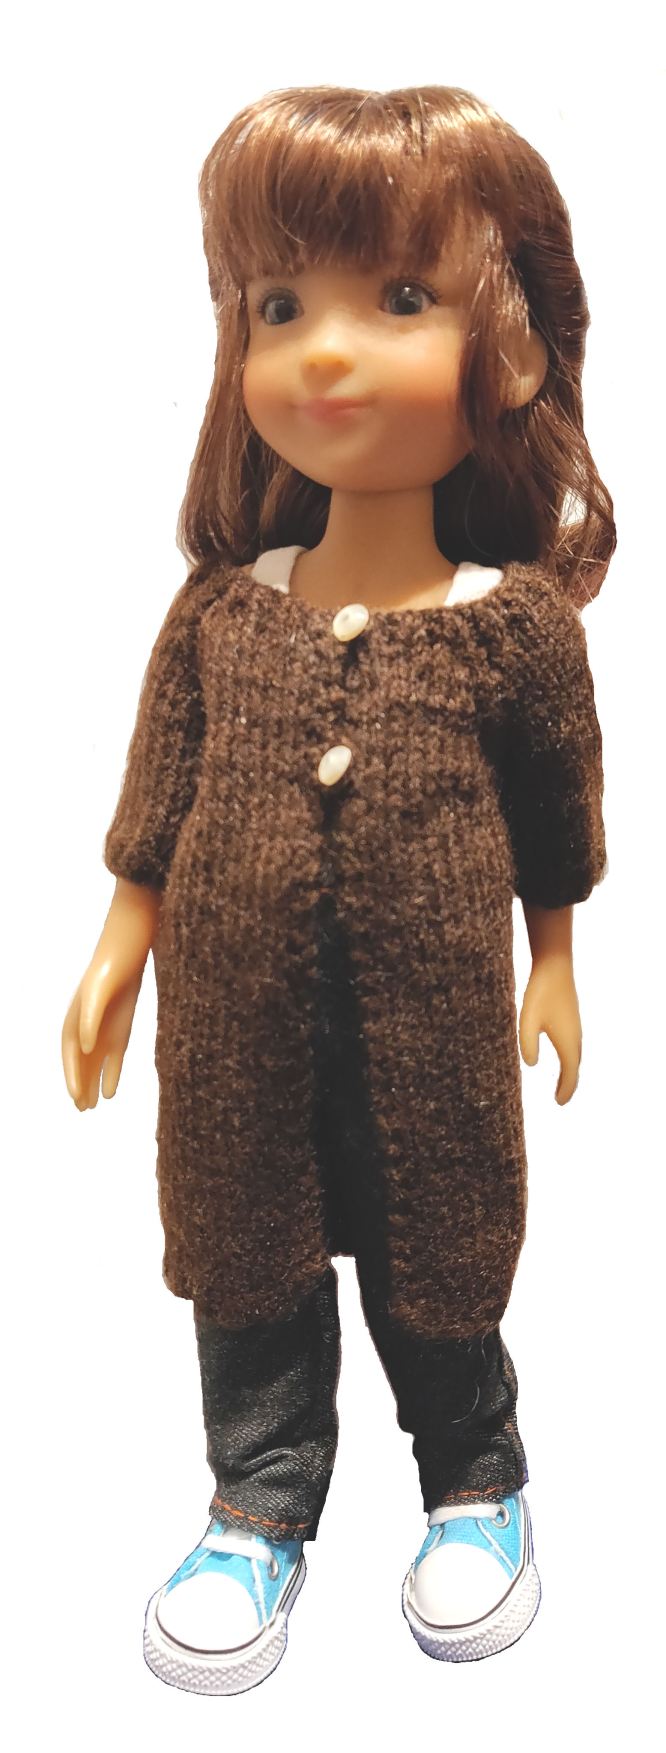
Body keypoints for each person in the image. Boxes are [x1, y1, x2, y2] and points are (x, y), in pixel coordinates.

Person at [61, 83, 612, 1696]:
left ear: (508, 347)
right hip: (228, 1024)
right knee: (246, 1247)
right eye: (279, 305)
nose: (321, 354)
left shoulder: (510, 628)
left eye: (399, 298)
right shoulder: (222, 612)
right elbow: (158, 801)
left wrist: (552, 959)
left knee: (442, 1241)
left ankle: (472, 1483)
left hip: (434, 1026)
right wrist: (116, 950)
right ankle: (256, 1502)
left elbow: (555, 809)